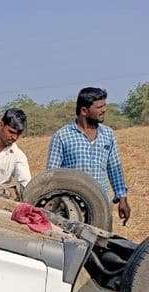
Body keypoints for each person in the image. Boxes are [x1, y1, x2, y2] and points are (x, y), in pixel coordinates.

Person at [47, 87, 131, 226]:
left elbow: (114, 169)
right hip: (72, 208)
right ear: (84, 111)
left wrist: (122, 199)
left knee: (101, 244)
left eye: (104, 106)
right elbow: (52, 175)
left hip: (101, 207)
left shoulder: (108, 134)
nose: (104, 110)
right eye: (99, 107)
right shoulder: (62, 136)